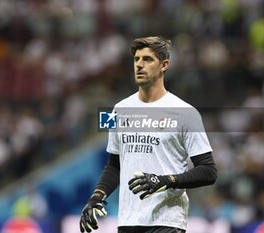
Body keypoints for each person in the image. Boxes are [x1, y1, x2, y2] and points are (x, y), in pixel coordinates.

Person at [79, 36, 218, 233]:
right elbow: (114, 165)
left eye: (147, 59)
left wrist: (165, 180)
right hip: (127, 222)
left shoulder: (185, 112)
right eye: (136, 59)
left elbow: (209, 171)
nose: (139, 65)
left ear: (164, 65)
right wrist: (97, 197)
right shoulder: (118, 109)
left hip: (166, 222)